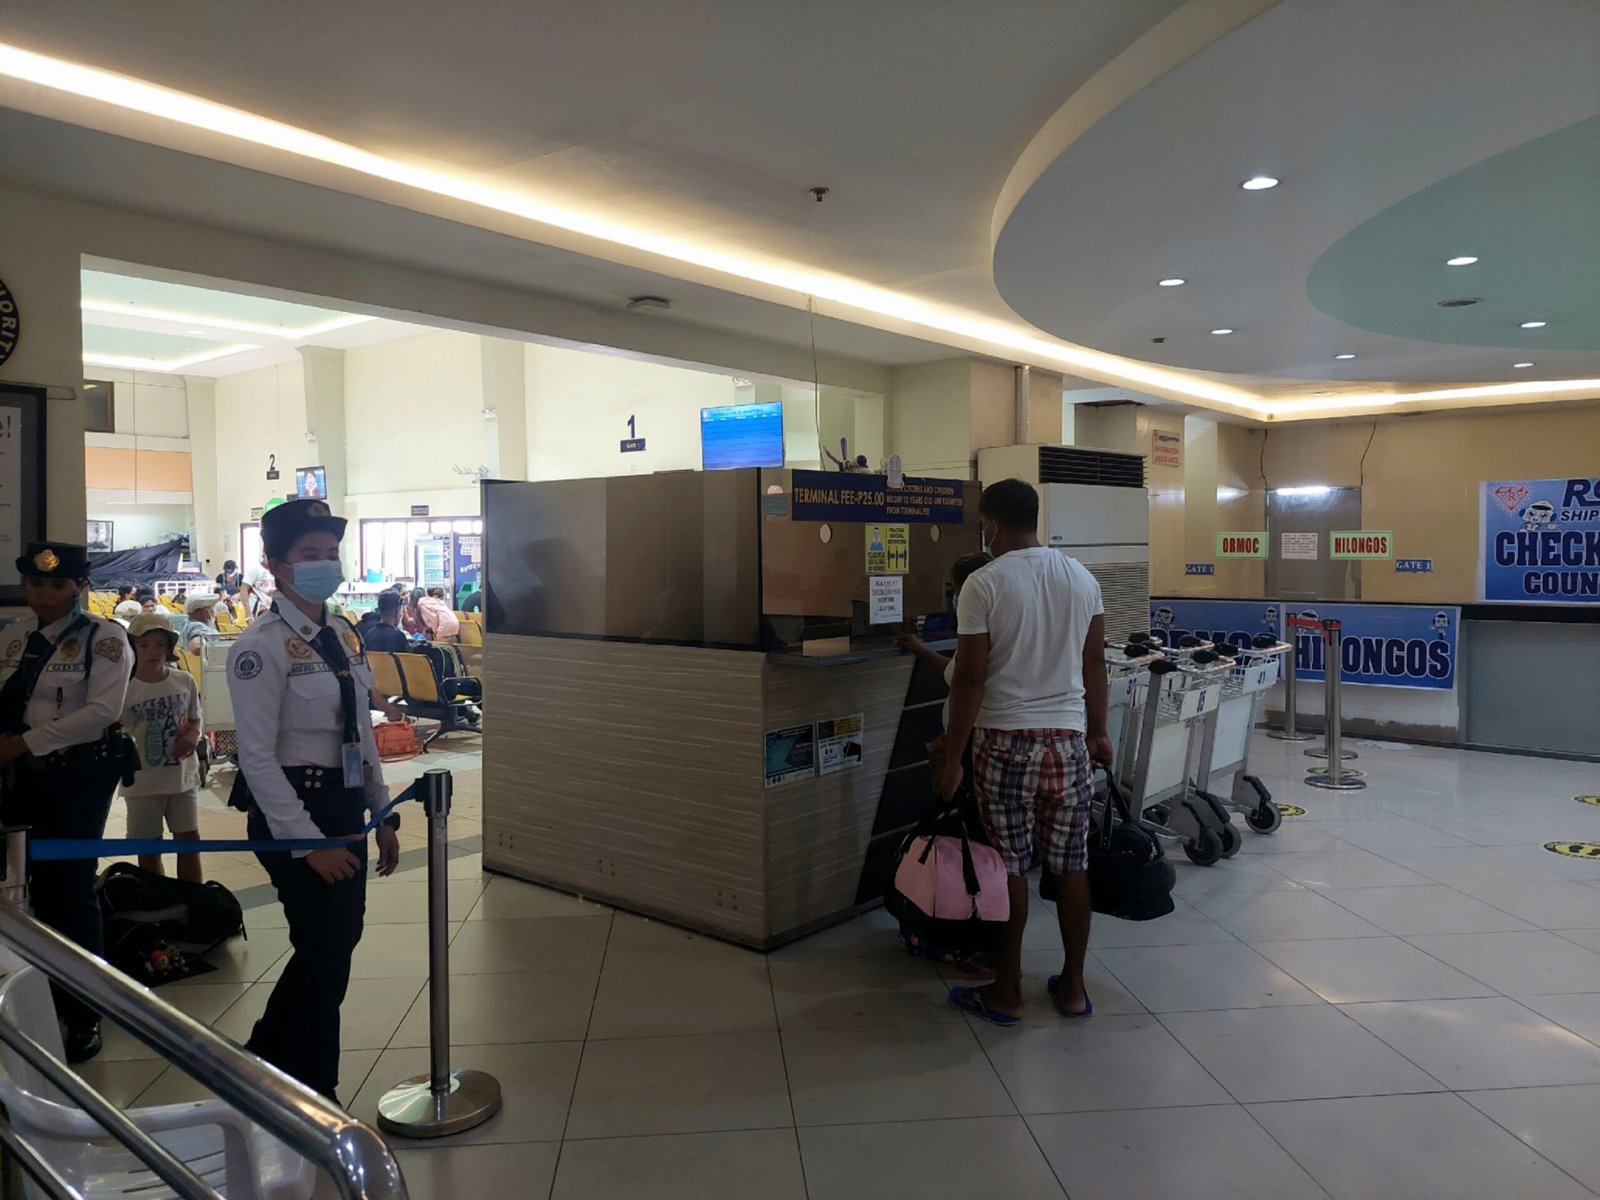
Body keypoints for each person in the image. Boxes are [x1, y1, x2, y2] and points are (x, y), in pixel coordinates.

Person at [226, 499, 400, 1100]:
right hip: (293, 811)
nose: (325, 563)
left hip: (344, 804)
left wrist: (381, 811)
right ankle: (309, 1087)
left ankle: (268, 1067)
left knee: (335, 945)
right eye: (309, 554)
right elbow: (256, 757)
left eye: (331, 553)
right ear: (276, 565)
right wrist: (307, 844)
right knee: (325, 949)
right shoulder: (260, 646)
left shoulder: (343, 634)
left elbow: (360, 731)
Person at [940, 480, 1110, 1026]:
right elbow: (1094, 665)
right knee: (1072, 864)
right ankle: (1074, 988)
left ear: (990, 524)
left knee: (1009, 865)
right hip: (1068, 740)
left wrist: (951, 758)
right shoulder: (1082, 578)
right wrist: (1099, 732)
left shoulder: (984, 583)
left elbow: (969, 679)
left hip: (1005, 741)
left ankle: (1007, 991)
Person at [0, 542, 135, 1061]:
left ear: (79, 587)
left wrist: (22, 744)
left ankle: (84, 1013)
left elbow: (102, 711)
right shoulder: (14, 635)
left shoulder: (104, 638)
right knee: (22, 890)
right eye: (36, 583)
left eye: (58, 585)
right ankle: (32, 1001)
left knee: (71, 893)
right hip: (19, 779)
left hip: (76, 778)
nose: (45, 594)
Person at [121, 613, 204, 883]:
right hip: (142, 782)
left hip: (181, 778)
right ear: (133, 648)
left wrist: (192, 735)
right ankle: (156, 899)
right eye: (144, 645)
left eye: (160, 645)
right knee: (148, 848)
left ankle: (193, 899)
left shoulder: (183, 680)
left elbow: (195, 717)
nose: (152, 651)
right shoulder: (124, 688)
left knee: (189, 842)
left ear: (169, 649)